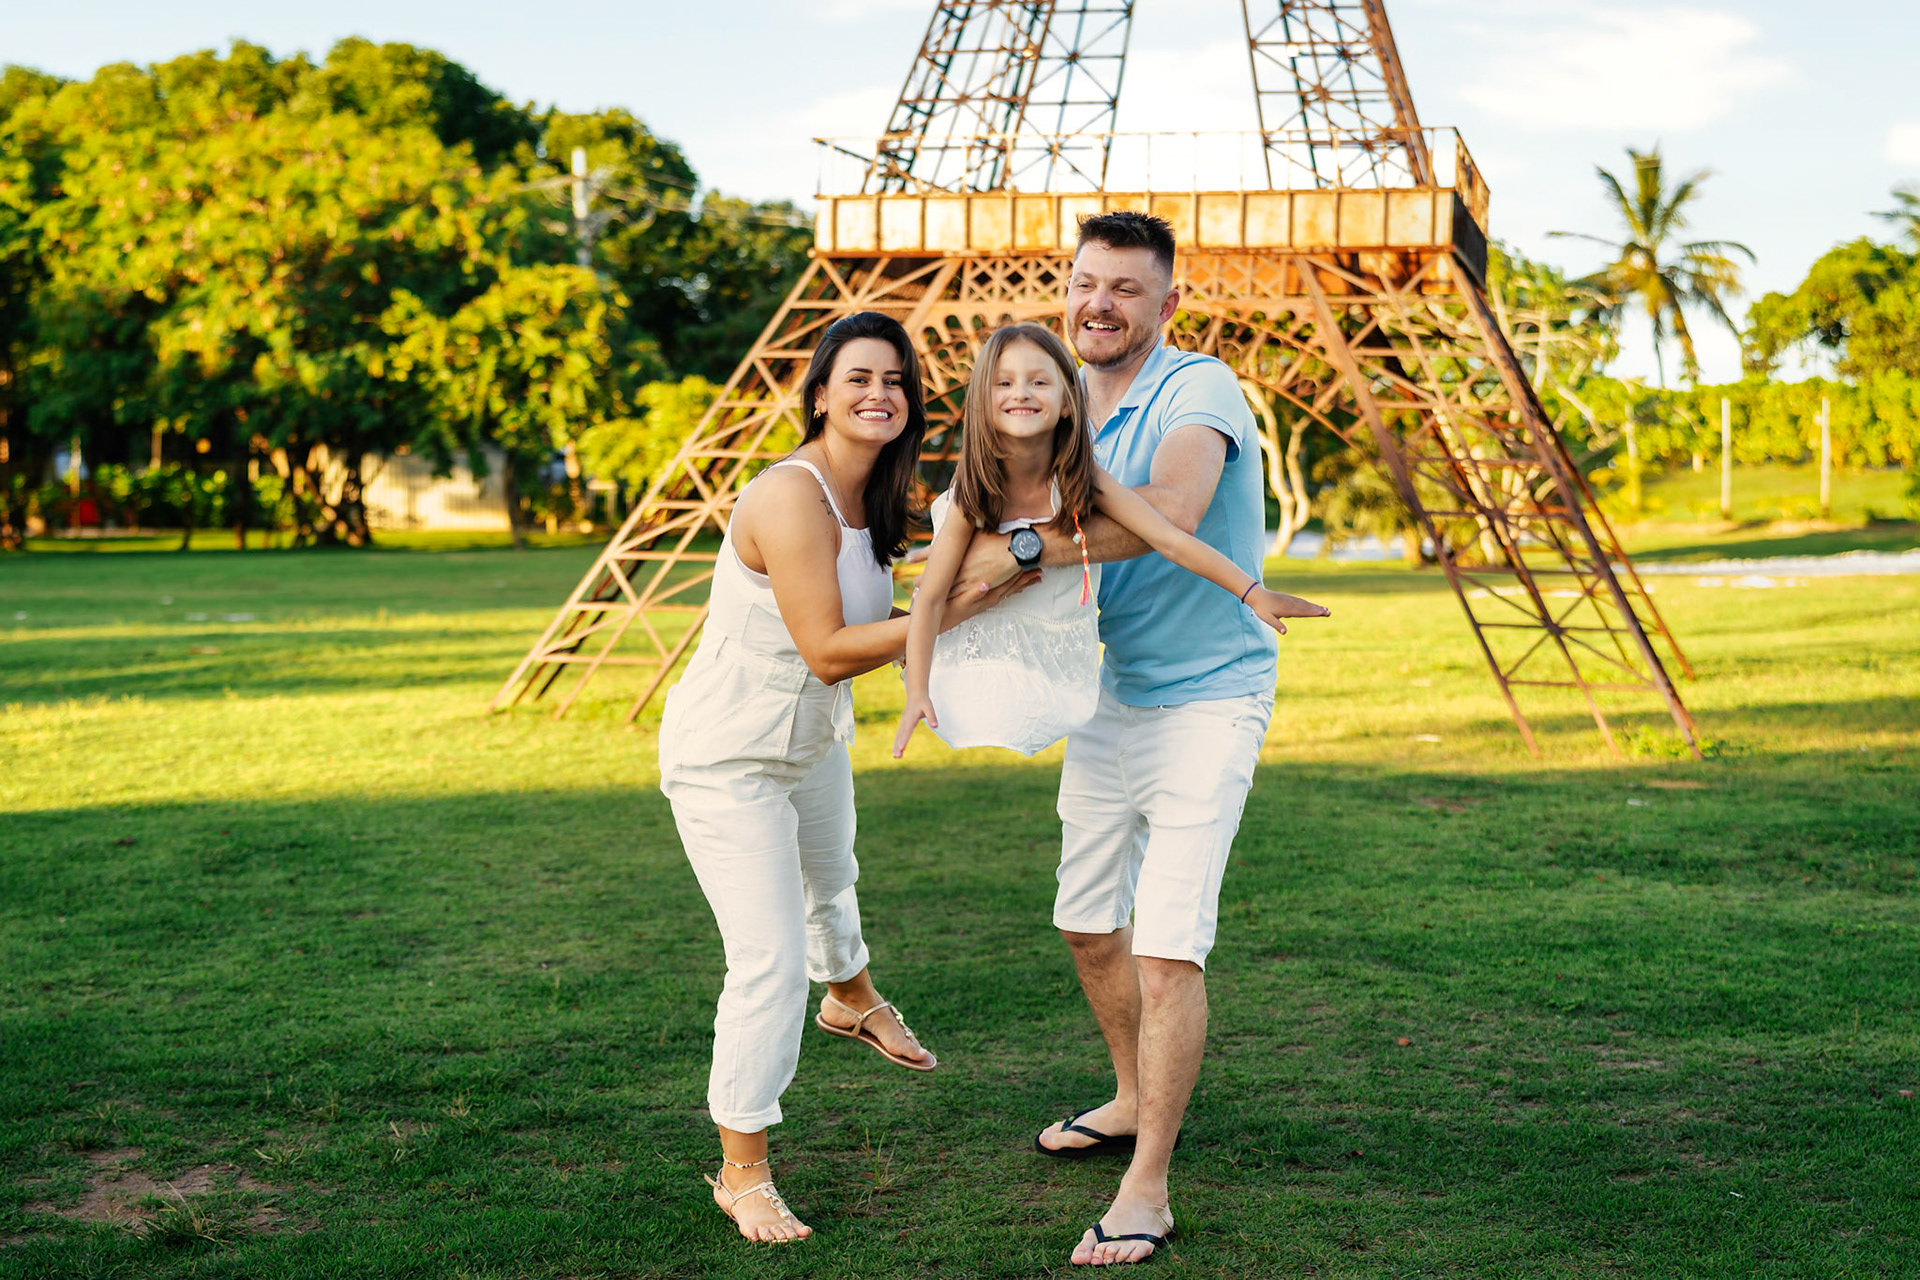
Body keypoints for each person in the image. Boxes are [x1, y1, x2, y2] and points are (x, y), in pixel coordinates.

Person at [944, 212, 1326, 1266]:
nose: (1099, 303)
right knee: (1083, 921)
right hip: (1110, 693)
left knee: (1167, 948)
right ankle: (1126, 1092)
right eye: (1085, 282)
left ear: (1166, 303)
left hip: (1212, 694)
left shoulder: (1194, 386)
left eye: (1125, 287)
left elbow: (1173, 504)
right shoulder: (1060, 396)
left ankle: (1147, 1184)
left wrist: (1017, 549)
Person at [656, 311, 1039, 1244]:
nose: (880, 393)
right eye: (859, 377)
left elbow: (970, 546)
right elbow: (828, 649)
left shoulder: (880, 501)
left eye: (898, 382)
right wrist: (958, 606)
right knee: (768, 964)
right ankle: (741, 1173)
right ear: (819, 392)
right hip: (725, 757)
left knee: (833, 883)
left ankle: (853, 997)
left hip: (812, 740)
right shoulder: (790, 498)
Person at [892, 321, 1325, 761]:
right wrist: (917, 691)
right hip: (978, 655)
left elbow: (1168, 537)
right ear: (983, 403)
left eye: (1038, 381)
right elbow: (929, 600)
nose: (1020, 392)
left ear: (1067, 402)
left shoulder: (1083, 476)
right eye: (1004, 383)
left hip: (1057, 663)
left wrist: (1251, 592)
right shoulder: (975, 486)